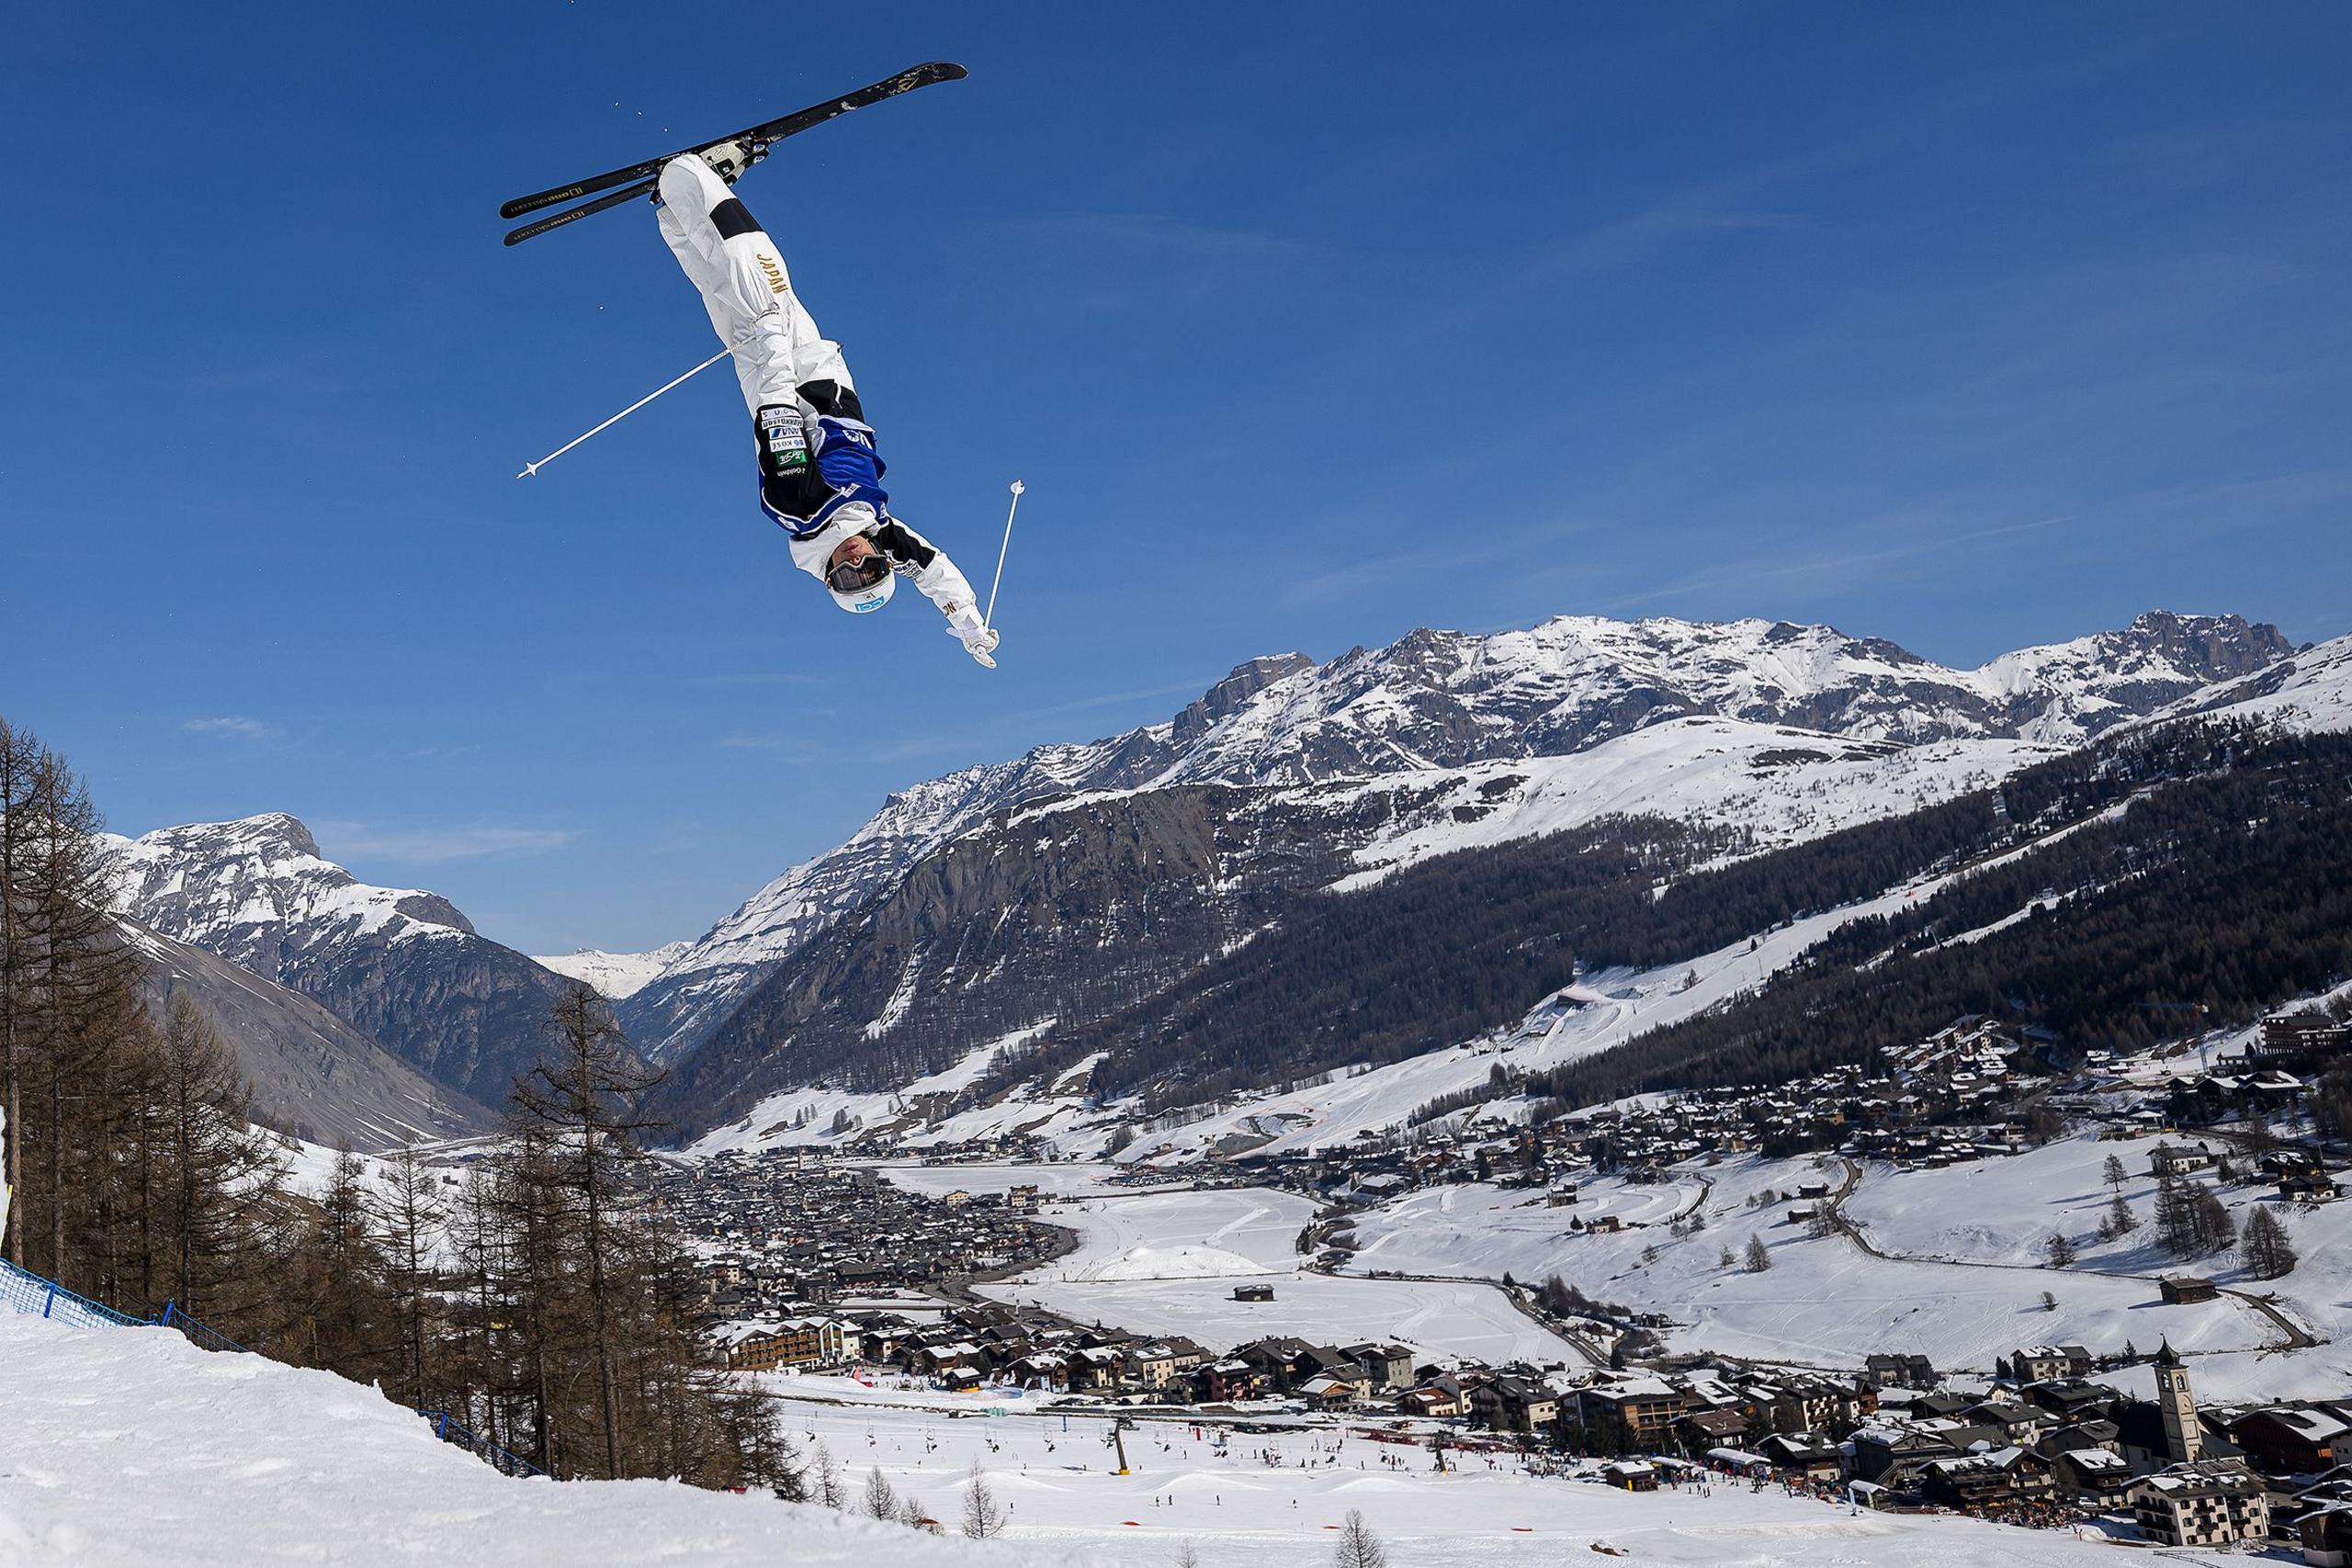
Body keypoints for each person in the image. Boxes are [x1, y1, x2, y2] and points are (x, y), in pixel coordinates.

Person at [653, 149, 1000, 666]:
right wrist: (968, 622)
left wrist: (771, 340)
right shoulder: (877, 532)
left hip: (789, 371)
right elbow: (932, 569)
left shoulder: (800, 505)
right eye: (872, 572)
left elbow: (776, 415)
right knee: (722, 282)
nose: (859, 563)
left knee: (757, 263)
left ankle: (691, 173)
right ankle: (673, 207)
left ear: (828, 574)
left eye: (846, 576)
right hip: (819, 373)